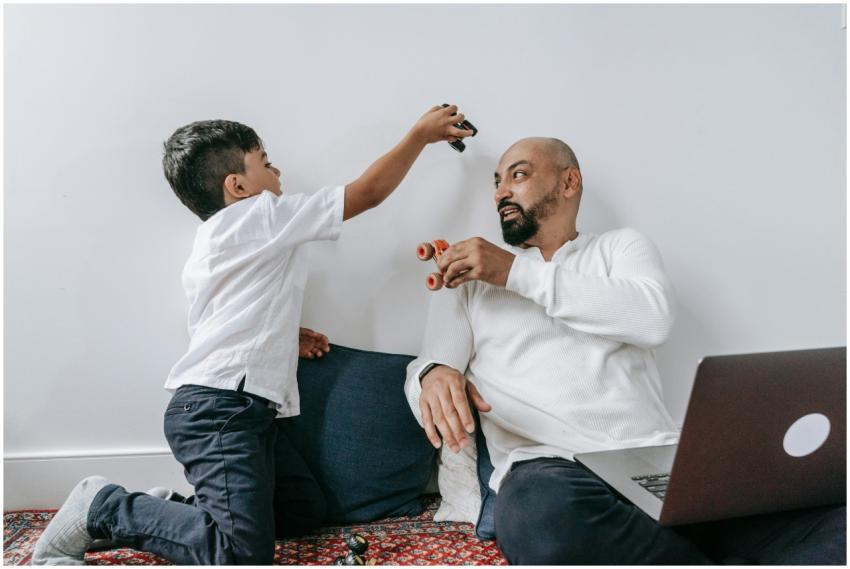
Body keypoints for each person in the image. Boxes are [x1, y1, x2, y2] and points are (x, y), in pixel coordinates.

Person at [32, 105, 474, 566]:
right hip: (219, 410)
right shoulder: (260, 216)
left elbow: (228, 320)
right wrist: (420, 136)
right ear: (238, 186)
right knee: (242, 556)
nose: (278, 169)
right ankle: (104, 508)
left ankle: (173, 512)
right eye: (265, 161)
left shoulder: (218, 240)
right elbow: (369, 192)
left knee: (300, 510)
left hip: (244, 408)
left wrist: (286, 334)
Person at [404, 136, 846, 564]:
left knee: (835, 515)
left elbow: (652, 320)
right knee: (538, 517)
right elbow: (428, 367)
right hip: (554, 472)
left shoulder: (620, 248)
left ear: (569, 182)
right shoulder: (468, 276)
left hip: (658, 461)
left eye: (518, 175)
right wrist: (432, 375)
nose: (501, 191)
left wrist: (515, 273)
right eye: (497, 181)